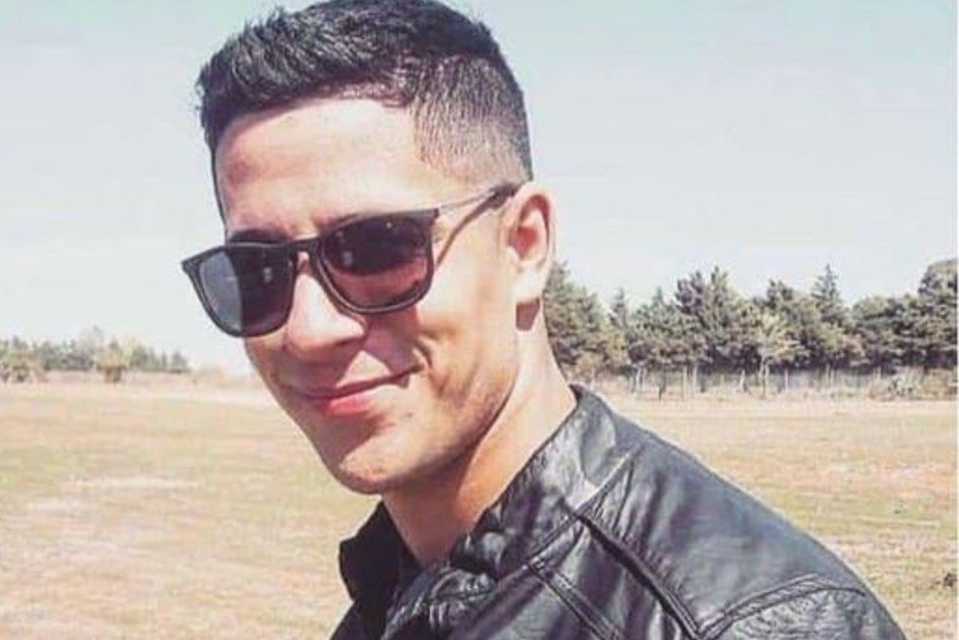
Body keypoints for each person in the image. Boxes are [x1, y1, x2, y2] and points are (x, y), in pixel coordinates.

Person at [183, 1, 906, 638]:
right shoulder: (400, 585)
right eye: (255, 271)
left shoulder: (752, 624)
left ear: (524, 246)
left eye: (375, 248)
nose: (309, 329)